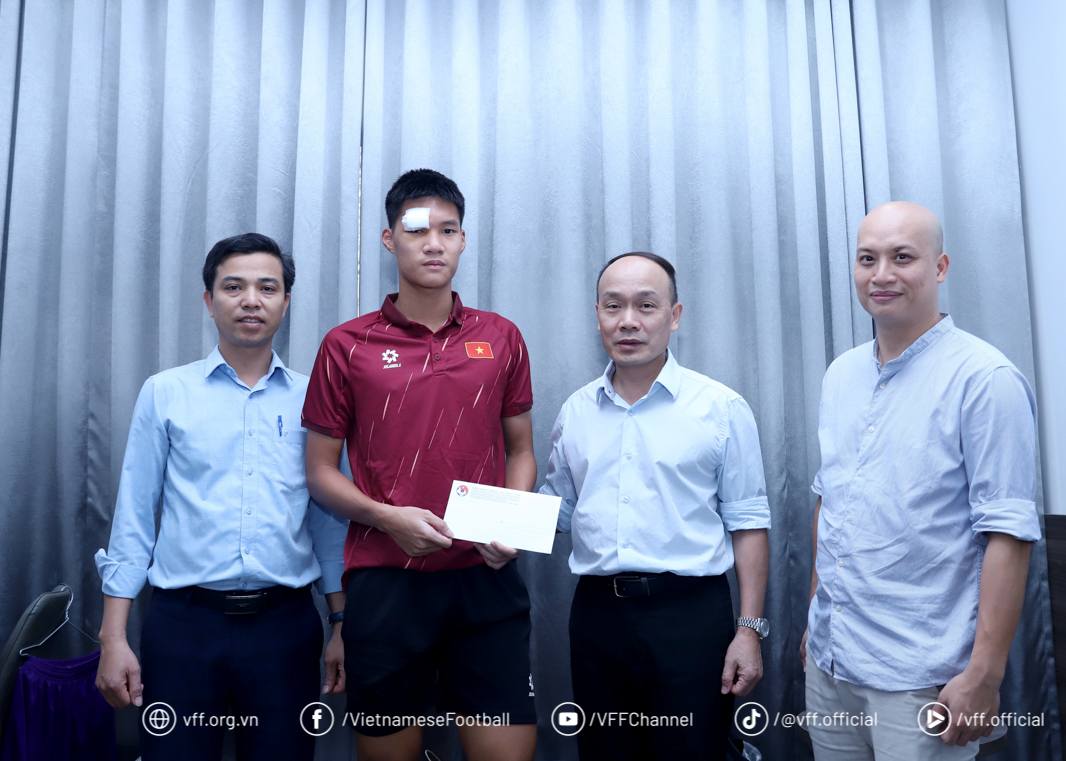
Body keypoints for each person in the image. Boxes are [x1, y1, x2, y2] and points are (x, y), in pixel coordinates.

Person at [303, 169, 538, 761]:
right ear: (389, 239)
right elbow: (320, 473)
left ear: (463, 240)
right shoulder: (346, 345)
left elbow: (521, 451)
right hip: (386, 583)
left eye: (448, 230)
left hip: (484, 580)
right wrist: (388, 518)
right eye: (416, 230)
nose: (433, 243)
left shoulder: (502, 337)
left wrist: (508, 528)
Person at [93, 233, 348, 761]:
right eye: (234, 287)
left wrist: (341, 623)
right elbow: (134, 518)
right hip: (183, 628)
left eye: (267, 288)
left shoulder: (314, 399)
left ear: (286, 302)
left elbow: (329, 525)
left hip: (284, 629)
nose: (251, 300)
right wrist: (112, 638)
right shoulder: (165, 392)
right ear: (209, 301)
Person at [801, 201, 1040, 760]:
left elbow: (1008, 534)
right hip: (831, 663)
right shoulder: (841, 374)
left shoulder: (985, 379)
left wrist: (984, 674)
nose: (881, 274)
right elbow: (831, 503)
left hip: (922, 677)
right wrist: (817, 618)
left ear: (940, 267)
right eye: (867, 259)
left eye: (902, 257)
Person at [539, 251, 772, 761]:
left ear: (675, 315)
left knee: (693, 751)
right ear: (597, 315)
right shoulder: (576, 412)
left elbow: (749, 525)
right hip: (598, 619)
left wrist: (749, 631)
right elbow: (557, 511)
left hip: (690, 617)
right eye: (613, 306)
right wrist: (485, 525)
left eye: (646, 305)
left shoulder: (721, 408)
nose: (628, 321)